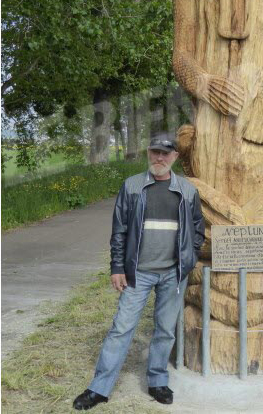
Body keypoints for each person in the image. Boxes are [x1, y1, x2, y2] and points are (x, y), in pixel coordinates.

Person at [73, 133, 205, 410]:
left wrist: (188, 258)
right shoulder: (132, 186)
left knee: (165, 330)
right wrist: (118, 267)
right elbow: (119, 231)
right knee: (121, 328)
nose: (160, 158)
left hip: (173, 273)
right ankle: (99, 388)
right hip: (138, 272)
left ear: (175, 157)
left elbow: (197, 229)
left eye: (166, 153)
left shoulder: (187, 190)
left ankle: (157, 381)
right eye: (155, 152)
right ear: (148, 153)